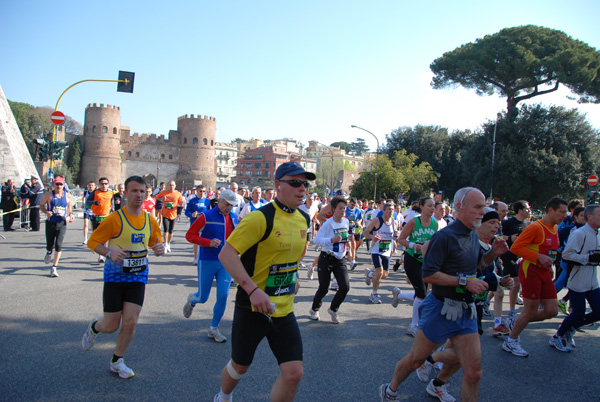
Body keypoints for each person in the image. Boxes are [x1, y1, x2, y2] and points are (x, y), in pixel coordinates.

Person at [379, 187, 509, 402]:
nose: (482, 213)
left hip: (465, 311)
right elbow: (428, 275)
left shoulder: (473, 235)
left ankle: (437, 385)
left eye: (483, 207)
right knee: (415, 360)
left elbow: (477, 265)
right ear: (460, 207)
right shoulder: (445, 236)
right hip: (440, 308)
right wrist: (464, 282)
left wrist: (493, 254)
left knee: (474, 372)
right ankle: (390, 389)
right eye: (477, 207)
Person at [214, 161, 313, 402]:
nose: (302, 189)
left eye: (305, 184)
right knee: (240, 366)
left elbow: (290, 256)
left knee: (294, 374)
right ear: (278, 186)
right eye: (295, 183)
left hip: (284, 309)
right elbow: (226, 254)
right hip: (253, 308)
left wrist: (294, 277)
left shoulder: (304, 219)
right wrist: (253, 290)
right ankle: (223, 397)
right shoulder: (259, 218)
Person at [81, 176, 164, 379]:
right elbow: (93, 242)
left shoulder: (149, 220)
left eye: (142, 191)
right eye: (134, 191)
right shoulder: (115, 219)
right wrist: (109, 252)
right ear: (125, 194)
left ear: (147, 194)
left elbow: (155, 243)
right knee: (111, 326)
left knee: (130, 322)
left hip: (138, 277)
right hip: (115, 277)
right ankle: (95, 327)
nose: (139, 195)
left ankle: (117, 360)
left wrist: (158, 248)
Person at [502, 197, 567, 357]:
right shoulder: (536, 227)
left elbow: (548, 251)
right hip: (530, 270)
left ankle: (515, 321)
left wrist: (549, 266)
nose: (565, 215)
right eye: (562, 212)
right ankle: (511, 341)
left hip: (544, 271)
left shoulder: (555, 227)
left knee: (551, 311)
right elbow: (516, 248)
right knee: (530, 310)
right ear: (551, 210)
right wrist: (538, 257)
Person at [183, 189, 239, 342]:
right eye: (226, 204)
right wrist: (208, 242)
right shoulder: (206, 216)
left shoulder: (234, 218)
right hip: (207, 260)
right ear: (219, 201)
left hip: (225, 263)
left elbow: (238, 239)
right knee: (203, 297)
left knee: (223, 296)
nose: (228, 208)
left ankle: (214, 328)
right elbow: (190, 235)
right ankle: (192, 300)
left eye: (231, 205)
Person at [549, 204, 600, 352]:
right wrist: (588, 258)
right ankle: (557, 336)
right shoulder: (579, 233)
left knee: (598, 311)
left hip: (593, 280)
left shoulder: (598, 233)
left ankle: (571, 329)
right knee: (578, 312)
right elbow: (567, 255)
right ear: (590, 216)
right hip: (577, 280)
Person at [394, 197, 438, 335]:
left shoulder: (434, 223)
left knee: (423, 293)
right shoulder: (414, 222)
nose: (432, 208)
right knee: (422, 293)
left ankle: (400, 294)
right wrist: (414, 245)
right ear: (421, 206)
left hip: (426, 261)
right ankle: (414, 326)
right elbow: (400, 239)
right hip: (412, 259)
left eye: (433, 206)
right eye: (429, 206)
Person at [309, 195, 350, 323]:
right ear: (333, 210)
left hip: (340, 259)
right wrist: (331, 240)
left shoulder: (346, 222)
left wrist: (348, 240)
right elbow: (316, 240)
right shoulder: (328, 223)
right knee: (324, 287)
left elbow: (344, 238)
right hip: (327, 257)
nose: (343, 211)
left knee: (345, 287)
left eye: (344, 208)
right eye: (340, 208)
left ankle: (333, 308)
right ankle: (315, 309)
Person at [500, 200, 531, 316]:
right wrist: (509, 238)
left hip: (521, 257)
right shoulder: (509, 223)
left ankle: (487, 299)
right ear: (520, 210)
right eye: (527, 209)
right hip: (508, 256)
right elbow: (496, 236)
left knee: (503, 282)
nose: (529, 211)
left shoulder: (528, 224)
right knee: (516, 282)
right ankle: (512, 310)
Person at [363, 202, 398, 304]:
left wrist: (396, 236)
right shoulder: (377, 221)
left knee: (385, 274)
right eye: (388, 209)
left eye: (392, 209)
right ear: (383, 210)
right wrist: (372, 237)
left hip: (386, 251)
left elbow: (395, 236)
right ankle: (374, 294)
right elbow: (365, 232)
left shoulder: (394, 222)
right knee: (379, 272)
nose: (390, 211)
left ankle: (370, 274)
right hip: (376, 250)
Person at [40, 177, 75, 277]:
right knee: (50, 244)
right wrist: (46, 212)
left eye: (61, 184)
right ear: (54, 185)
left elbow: (69, 207)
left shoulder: (67, 196)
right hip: (51, 222)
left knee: (59, 244)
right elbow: (41, 205)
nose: (59, 186)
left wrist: (71, 215)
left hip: (62, 223)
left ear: (63, 185)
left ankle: (54, 267)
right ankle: (48, 252)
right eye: (57, 184)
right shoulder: (48, 195)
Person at [86, 177, 114, 263]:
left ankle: (101, 255)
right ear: (99, 184)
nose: (104, 185)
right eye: (102, 183)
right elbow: (88, 201)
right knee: (97, 236)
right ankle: (97, 249)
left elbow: (111, 203)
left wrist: (113, 209)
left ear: (108, 184)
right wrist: (94, 203)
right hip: (96, 216)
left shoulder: (110, 193)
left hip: (106, 217)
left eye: (105, 183)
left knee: (105, 236)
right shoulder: (95, 192)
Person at [185, 185, 211, 263]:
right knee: (196, 242)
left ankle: (203, 257)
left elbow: (209, 212)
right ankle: (196, 258)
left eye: (204, 191)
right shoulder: (192, 201)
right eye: (200, 191)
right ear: (197, 191)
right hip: (194, 223)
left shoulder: (207, 201)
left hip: (204, 224)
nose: (202, 193)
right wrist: (191, 214)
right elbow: (186, 212)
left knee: (204, 240)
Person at [156, 180, 183, 253]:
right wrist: (161, 199)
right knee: (166, 230)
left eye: (173, 185)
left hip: (173, 214)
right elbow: (157, 197)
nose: (171, 187)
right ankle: (165, 244)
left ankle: (168, 243)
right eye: (170, 185)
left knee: (171, 231)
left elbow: (180, 203)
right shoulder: (164, 192)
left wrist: (181, 203)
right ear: (167, 186)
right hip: (165, 214)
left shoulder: (178, 193)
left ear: (175, 186)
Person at [345, 197, 363, 270]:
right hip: (345, 230)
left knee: (354, 245)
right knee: (349, 245)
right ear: (349, 203)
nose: (353, 206)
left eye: (354, 205)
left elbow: (360, 218)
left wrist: (359, 222)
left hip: (352, 229)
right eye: (352, 205)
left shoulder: (357, 210)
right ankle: (351, 262)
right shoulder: (345, 209)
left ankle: (353, 260)